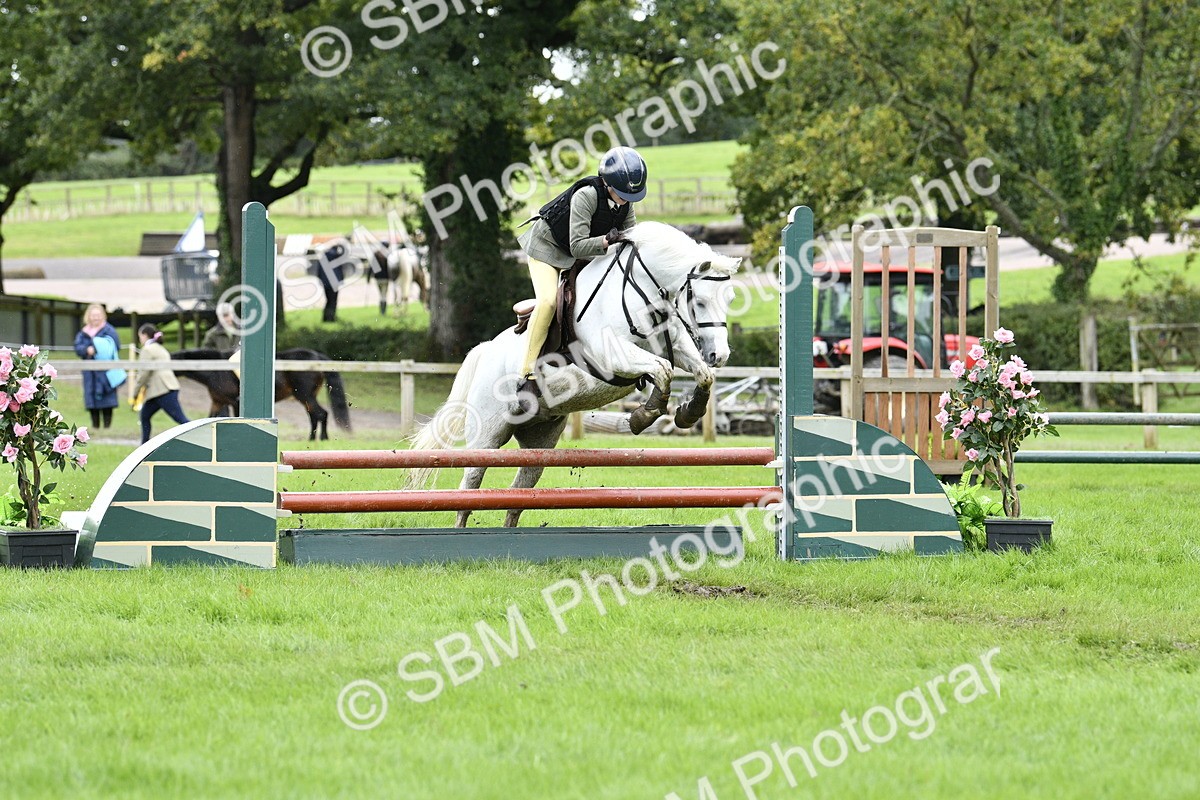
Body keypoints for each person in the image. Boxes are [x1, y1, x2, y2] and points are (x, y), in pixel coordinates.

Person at [515, 146, 647, 391]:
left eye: (631, 196)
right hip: (548, 249)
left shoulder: (626, 202)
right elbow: (577, 246)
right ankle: (527, 374)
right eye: (622, 194)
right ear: (607, 183)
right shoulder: (586, 196)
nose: (627, 200)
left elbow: (631, 236)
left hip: (582, 253)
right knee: (548, 302)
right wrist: (605, 242)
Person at [133, 324, 189, 444]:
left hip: (162, 390)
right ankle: (144, 445)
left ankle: (201, 434)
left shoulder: (147, 350)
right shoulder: (160, 348)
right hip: (165, 388)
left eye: (140, 336)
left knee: (181, 420)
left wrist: (135, 392)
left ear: (144, 335)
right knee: (145, 416)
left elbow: (143, 373)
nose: (140, 339)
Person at [73, 304, 123, 429]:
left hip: (106, 371)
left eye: (98, 315)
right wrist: (86, 350)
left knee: (107, 398)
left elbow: (116, 346)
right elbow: (78, 347)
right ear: (88, 316)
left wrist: (100, 349)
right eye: (93, 315)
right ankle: (95, 426)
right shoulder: (83, 333)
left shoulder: (109, 331)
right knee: (91, 398)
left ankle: (107, 427)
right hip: (90, 372)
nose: (96, 318)